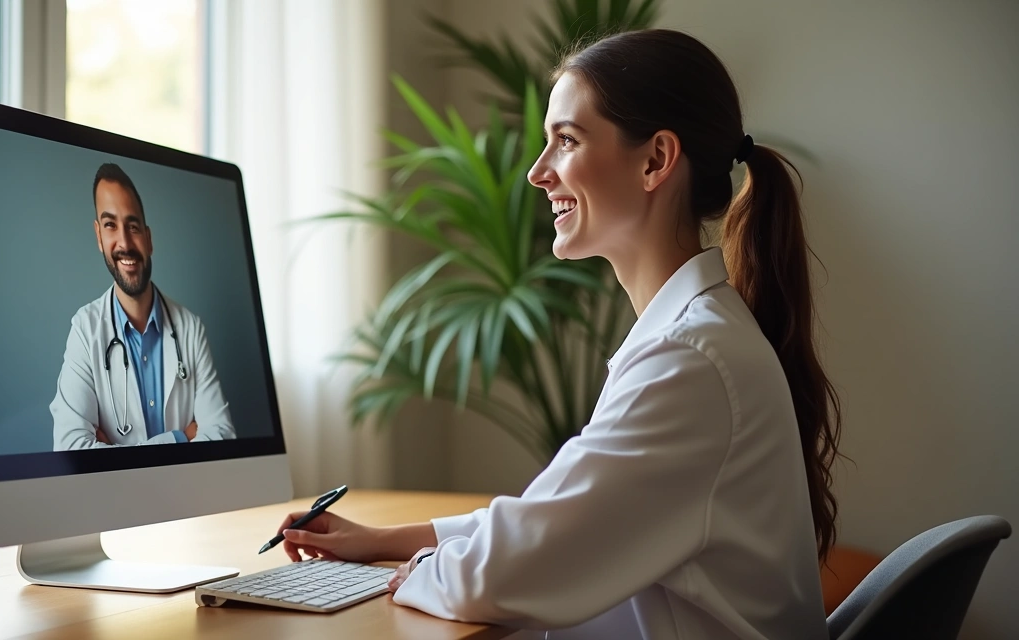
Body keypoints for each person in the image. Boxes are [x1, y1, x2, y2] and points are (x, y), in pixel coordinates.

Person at [273, 29, 841, 640]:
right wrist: (385, 542)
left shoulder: (690, 361)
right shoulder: (694, 340)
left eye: (566, 141)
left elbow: (504, 572)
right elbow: (555, 517)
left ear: (655, 160)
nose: (538, 173)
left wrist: (421, 570)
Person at [51, 163, 237, 449]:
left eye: (133, 226)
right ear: (99, 236)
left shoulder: (190, 328)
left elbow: (222, 437)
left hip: (184, 492)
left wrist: (114, 450)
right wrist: (181, 437)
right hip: (115, 497)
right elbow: (71, 449)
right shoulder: (85, 331)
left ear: (149, 239)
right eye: (111, 225)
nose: (124, 242)